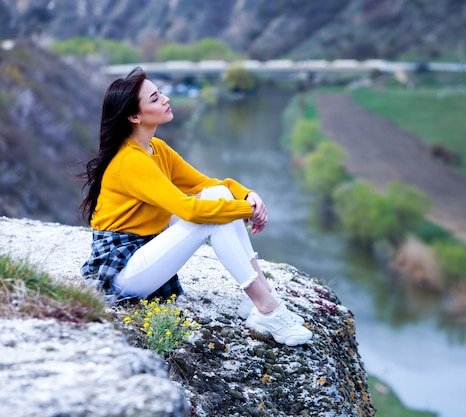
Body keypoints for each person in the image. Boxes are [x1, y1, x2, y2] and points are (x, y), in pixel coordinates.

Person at [79, 67, 311, 346]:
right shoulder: (131, 161)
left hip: (146, 249)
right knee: (212, 214)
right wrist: (245, 211)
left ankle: (264, 299)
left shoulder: (157, 149)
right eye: (154, 98)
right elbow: (189, 210)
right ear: (134, 116)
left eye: (160, 93)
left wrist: (246, 194)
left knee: (216, 195)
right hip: (121, 272)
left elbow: (207, 185)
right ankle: (268, 309)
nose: (165, 99)